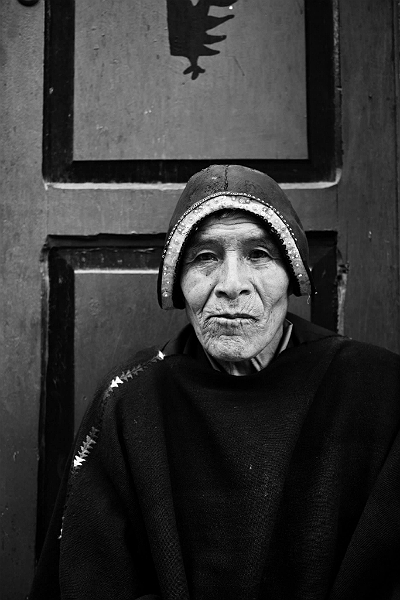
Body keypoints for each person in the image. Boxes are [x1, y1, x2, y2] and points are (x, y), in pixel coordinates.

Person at [30, 165, 400, 600]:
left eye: (259, 255)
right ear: (177, 280)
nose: (231, 285)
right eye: (205, 257)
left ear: (292, 274)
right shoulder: (133, 400)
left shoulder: (379, 393)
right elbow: (89, 574)